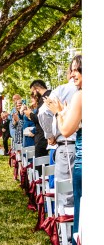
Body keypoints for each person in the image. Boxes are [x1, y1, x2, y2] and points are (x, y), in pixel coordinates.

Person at [46, 55, 81, 245]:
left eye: (76, 70)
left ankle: (71, 243)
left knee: (70, 195)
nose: (72, 74)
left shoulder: (76, 95)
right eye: (72, 70)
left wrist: (59, 113)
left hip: (71, 148)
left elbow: (67, 129)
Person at [43, 79, 78, 208]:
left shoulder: (63, 90)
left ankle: (68, 220)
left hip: (68, 145)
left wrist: (50, 135)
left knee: (66, 197)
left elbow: (43, 112)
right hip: (73, 146)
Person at [30, 80, 51, 158]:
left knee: (40, 161)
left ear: (37, 89)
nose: (34, 95)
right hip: (46, 135)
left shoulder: (44, 98)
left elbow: (40, 118)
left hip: (43, 136)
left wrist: (30, 114)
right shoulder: (51, 94)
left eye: (33, 92)